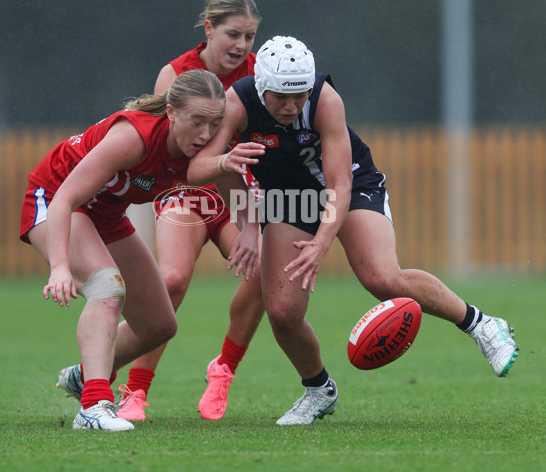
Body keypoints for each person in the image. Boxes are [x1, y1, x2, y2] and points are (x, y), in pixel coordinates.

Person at [187, 36, 520, 426]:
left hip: (351, 186)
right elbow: (200, 168)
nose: (292, 106)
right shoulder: (235, 104)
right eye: (280, 96)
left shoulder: (325, 101)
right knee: (282, 311)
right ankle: (318, 390)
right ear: (262, 85)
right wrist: (245, 221)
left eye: (300, 94)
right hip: (286, 197)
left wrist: (320, 244)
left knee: (382, 278)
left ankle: (482, 325)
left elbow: (340, 187)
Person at [19, 69, 230, 431]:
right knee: (107, 287)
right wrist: (59, 267)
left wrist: (248, 234)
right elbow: (66, 198)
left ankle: (84, 375)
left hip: (106, 215)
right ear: (171, 113)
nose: (207, 134)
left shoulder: (203, 150)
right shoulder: (134, 138)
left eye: (215, 123)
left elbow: (229, 189)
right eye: (197, 121)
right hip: (55, 201)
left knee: (159, 325)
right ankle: (93, 406)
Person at [116, 0, 265, 422]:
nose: (241, 45)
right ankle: (135, 390)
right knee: (174, 278)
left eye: (249, 36)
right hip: (184, 190)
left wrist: (253, 219)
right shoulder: (176, 74)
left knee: (265, 273)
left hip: (236, 192)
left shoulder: (259, 75)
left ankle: (224, 370)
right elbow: (171, 156)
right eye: (232, 34)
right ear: (209, 30)